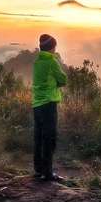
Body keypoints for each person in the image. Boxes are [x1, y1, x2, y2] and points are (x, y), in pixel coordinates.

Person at [32, 34, 67, 182]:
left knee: (39, 137)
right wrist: (56, 85)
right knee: (49, 138)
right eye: (55, 47)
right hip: (49, 104)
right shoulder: (52, 61)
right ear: (52, 47)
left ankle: (39, 169)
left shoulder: (37, 61)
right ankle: (48, 173)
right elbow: (63, 79)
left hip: (37, 104)